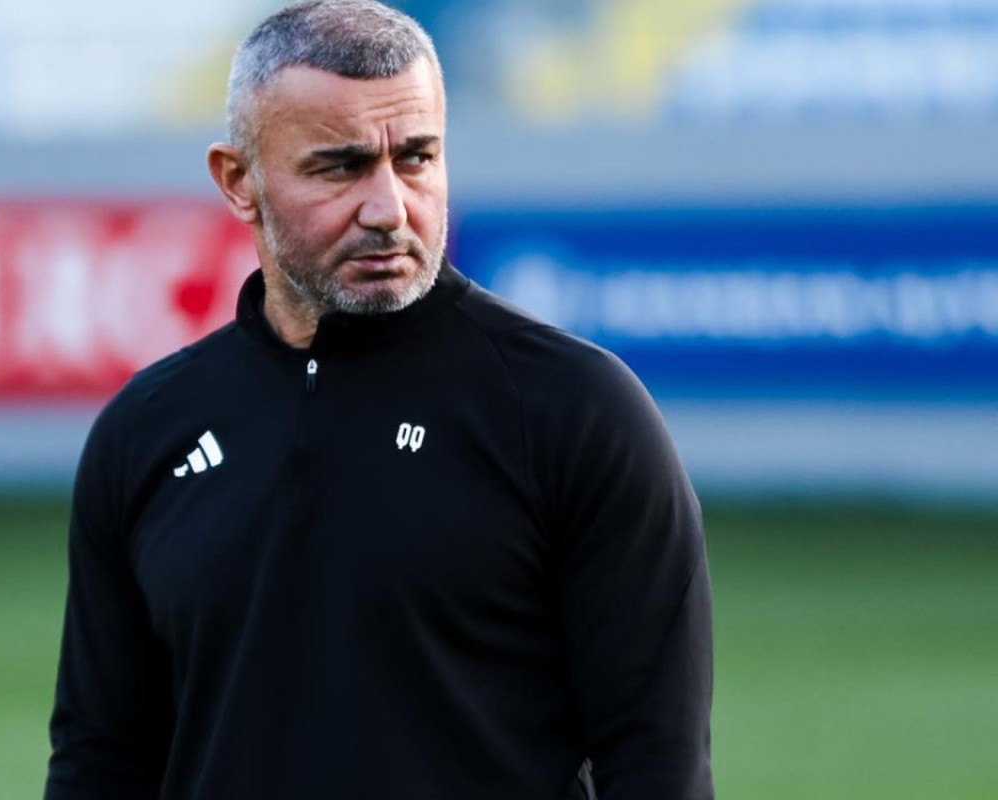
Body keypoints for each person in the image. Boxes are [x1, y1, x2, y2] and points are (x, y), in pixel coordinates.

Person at [44, 1, 713, 798]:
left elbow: (658, 763)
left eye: (417, 158)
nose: (390, 209)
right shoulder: (147, 431)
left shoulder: (577, 412)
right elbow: (99, 760)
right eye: (341, 167)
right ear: (238, 181)